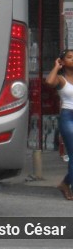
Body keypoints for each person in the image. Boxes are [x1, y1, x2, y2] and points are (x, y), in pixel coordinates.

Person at [45, 49, 73, 201]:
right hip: (69, 117)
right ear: (62, 62)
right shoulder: (61, 79)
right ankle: (68, 186)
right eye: (69, 57)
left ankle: (65, 183)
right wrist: (56, 66)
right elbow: (49, 82)